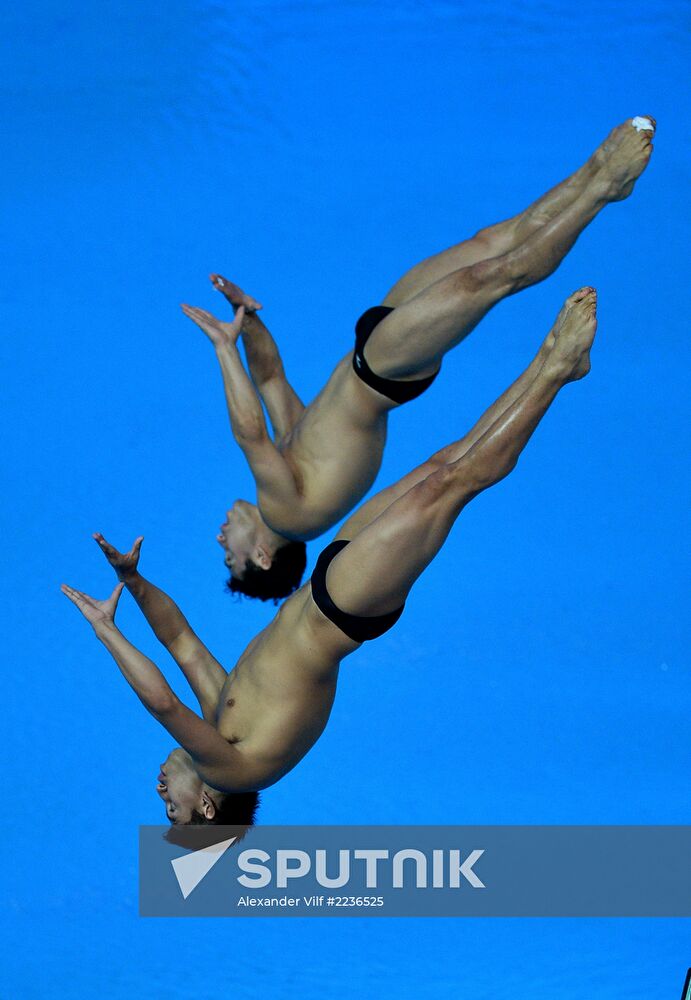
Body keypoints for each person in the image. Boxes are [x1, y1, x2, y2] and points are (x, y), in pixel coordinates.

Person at [64, 288, 597, 828]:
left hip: (331, 583)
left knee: (446, 463)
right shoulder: (232, 771)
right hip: (345, 605)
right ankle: (553, 368)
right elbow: (163, 706)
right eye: (170, 806)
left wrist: (132, 581)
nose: (159, 790)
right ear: (206, 806)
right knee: (452, 485)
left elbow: (181, 641)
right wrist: (107, 632)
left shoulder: (224, 720)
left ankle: (559, 362)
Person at [180, 117, 654, 602]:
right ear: (262, 556)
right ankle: (603, 190)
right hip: (384, 367)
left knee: (491, 241)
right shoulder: (288, 515)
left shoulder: (292, 464)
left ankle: (596, 170)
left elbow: (271, 378)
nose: (221, 539)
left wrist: (246, 318)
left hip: (376, 347)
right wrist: (223, 348)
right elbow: (248, 434)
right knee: (496, 275)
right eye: (229, 555)